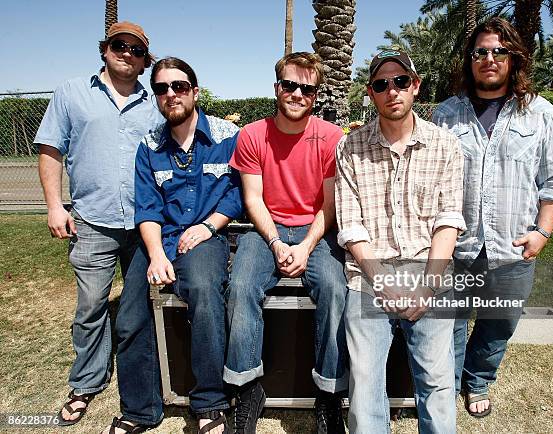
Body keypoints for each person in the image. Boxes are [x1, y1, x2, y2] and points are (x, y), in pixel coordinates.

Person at [433, 17, 553, 418]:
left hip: (512, 246)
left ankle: (477, 380)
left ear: (514, 58)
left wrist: (542, 231)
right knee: (450, 322)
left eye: (498, 51)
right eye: (480, 52)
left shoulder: (541, 114)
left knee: (499, 324)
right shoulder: (446, 115)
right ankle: (446, 383)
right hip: (456, 244)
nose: (489, 59)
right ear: (470, 60)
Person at [100, 57, 243, 434]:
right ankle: (141, 410)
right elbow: (146, 208)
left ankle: (209, 403)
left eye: (179, 86)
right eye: (161, 88)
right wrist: (157, 255)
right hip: (158, 239)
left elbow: (238, 193)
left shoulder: (228, 135)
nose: (170, 94)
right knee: (130, 316)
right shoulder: (149, 146)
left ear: (194, 91)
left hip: (206, 236)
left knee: (204, 293)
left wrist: (210, 227)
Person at [34, 21, 160, 426]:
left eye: (137, 50)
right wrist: (55, 206)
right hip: (92, 221)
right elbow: (51, 149)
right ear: (105, 49)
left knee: (141, 307)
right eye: (120, 45)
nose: (128, 53)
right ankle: (87, 381)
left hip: (145, 225)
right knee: (91, 307)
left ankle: (146, 377)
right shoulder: (72, 93)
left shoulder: (157, 100)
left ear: (145, 62)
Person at [335, 49, 466, 434]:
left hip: (428, 270)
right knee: (364, 382)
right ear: (372, 93)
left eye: (400, 81)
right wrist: (381, 281)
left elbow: (448, 222)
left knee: (438, 381)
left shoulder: (445, 146)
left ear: (416, 86)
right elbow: (351, 225)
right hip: (369, 275)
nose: (392, 90)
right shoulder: (349, 147)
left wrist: (427, 286)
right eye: (381, 84)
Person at [224, 52, 349, 434]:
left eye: (306, 88)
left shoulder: (330, 138)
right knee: (241, 285)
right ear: (277, 87)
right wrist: (277, 243)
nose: (297, 93)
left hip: (316, 230)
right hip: (266, 230)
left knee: (334, 287)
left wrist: (306, 247)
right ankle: (247, 391)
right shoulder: (251, 135)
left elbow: (329, 205)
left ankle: (328, 395)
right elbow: (253, 199)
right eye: (290, 85)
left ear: (316, 94)